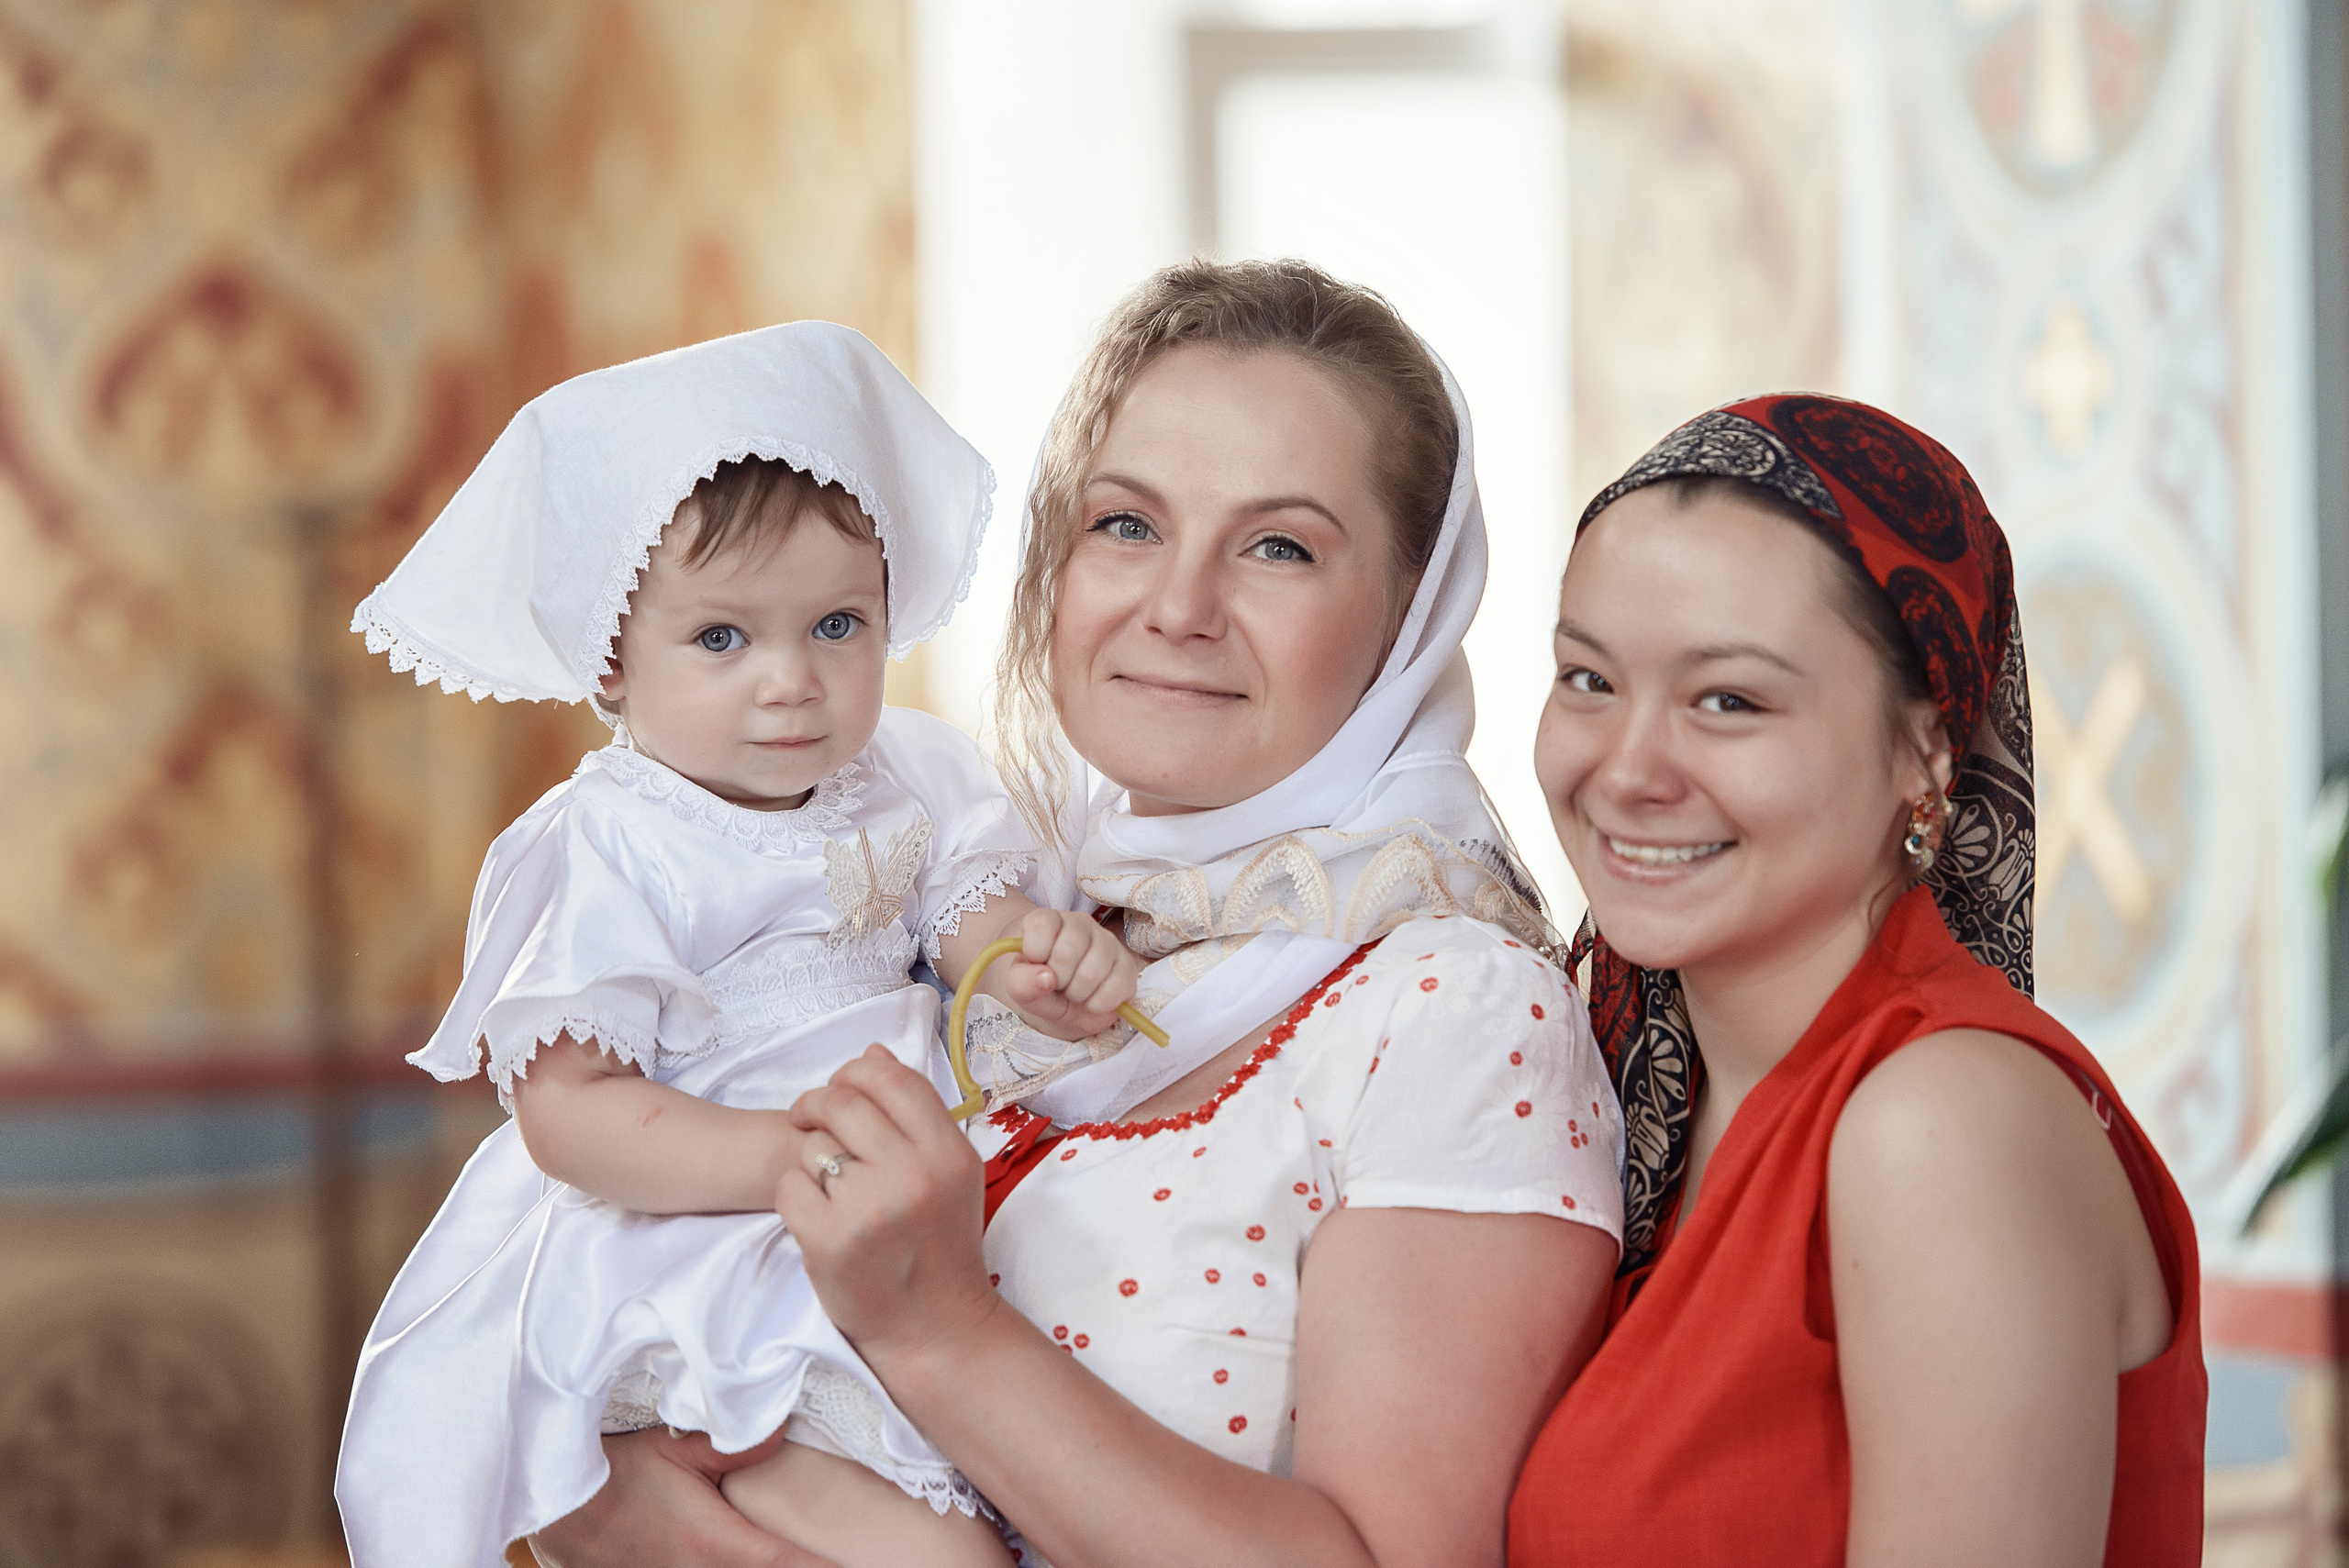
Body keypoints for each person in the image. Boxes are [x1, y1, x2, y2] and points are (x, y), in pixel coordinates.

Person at [529, 261, 1627, 1568]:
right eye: (1124, 524)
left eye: (1279, 545)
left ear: (1409, 614)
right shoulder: (995, 925)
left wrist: (940, 1335)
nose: (1176, 606)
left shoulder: (1453, 1003)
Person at [334, 323, 1145, 1568]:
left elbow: (980, 939)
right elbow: (570, 1114)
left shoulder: (910, 776)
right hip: (695, 1244)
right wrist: (788, 1155)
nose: (792, 682)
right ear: (613, 656)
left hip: (901, 1210)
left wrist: (1049, 965)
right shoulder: (608, 841)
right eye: (724, 638)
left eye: (836, 626)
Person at [1508, 395, 2206, 1565]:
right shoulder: (1618, 1073)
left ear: (1924, 750)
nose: (1625, 769)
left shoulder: (1936, 1123)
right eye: (1587, 678)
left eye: (1727, 699)